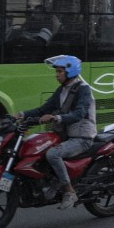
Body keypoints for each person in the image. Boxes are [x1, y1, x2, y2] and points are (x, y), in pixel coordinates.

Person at [15, 55, 96, 210]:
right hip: (65, 136)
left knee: (53, 154)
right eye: (56, 71)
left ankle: (69, 191)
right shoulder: (62, 90)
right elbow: (42, 109)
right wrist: (21, 114)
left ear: (70, 72)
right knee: (39, 148)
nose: (56, 74)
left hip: (82, 138)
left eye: (59, 71)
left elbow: (79, 114)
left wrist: (55, 117)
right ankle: (52, 182)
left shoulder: (83, 90)